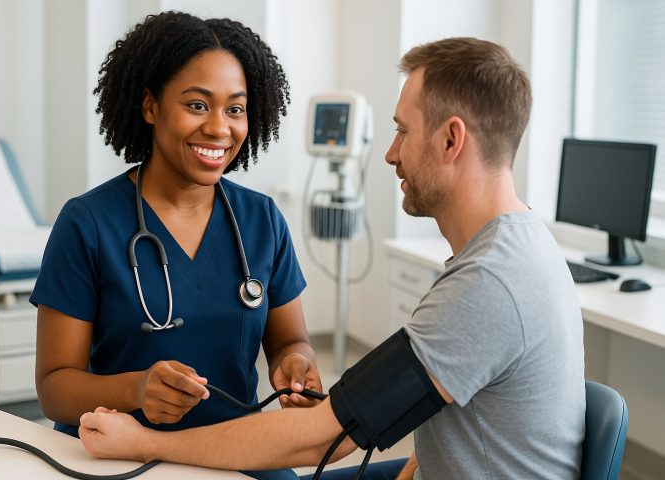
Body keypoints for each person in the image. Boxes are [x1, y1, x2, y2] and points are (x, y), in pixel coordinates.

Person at [77, 37, 586, 479]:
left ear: (452, 139)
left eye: (403, 131)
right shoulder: (516, 247)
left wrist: (144, 443)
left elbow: (324, 438)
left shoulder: (489, 283)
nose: (390, 153)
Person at [30, 11, 323, 480]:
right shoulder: (88, 223)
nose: (219, 129)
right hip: (121, 455)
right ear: (150, 106)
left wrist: (296, 363)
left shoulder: (261, 219)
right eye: (197, 105)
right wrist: (137, 390)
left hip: (233, 451)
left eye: (235, 108)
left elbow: (291, 340)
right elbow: (53, 387)